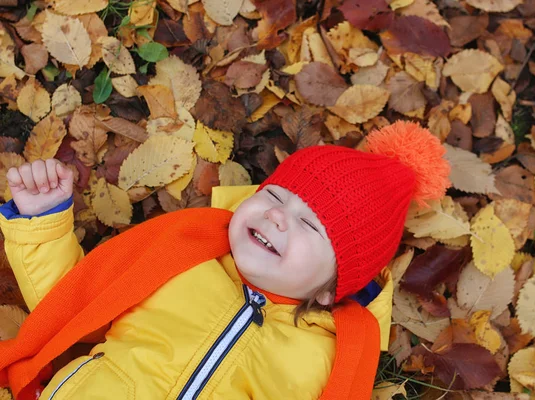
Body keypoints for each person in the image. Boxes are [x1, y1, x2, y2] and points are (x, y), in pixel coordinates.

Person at [0, 121, 450, 400]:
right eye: (275, 195)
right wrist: (44, 222)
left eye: (310, 225)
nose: (277, 214)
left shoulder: (325, 361)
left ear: (331, 288)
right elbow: (71, 301)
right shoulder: (179, 262)